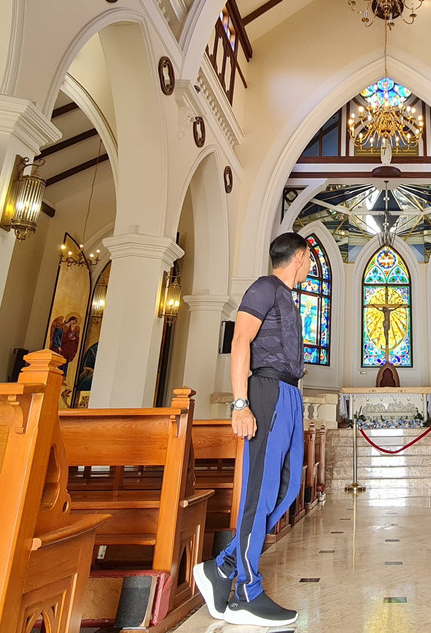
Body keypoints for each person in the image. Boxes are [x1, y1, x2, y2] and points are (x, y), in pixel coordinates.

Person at [193, 232, 311, 627]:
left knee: (289, 485)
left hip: (290, 394)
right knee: (260, 491)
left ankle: (222, 567)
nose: (310, 267)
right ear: (300, 257)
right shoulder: (264, 287)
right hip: (267, 390)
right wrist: (240, 403)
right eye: (309, 260)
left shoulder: (287, 296)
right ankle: (245, 592)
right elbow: (241, 340)